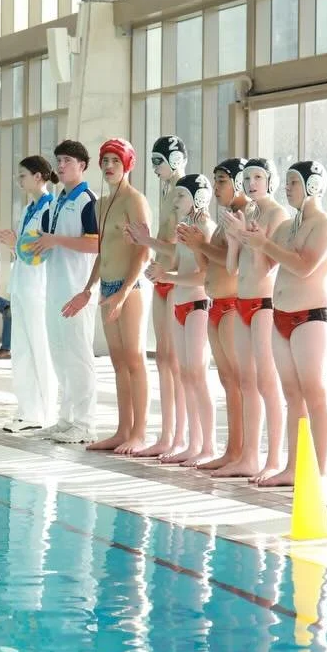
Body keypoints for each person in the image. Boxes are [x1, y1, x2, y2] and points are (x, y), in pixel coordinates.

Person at [234, 162, 327, 488]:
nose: (288, 188)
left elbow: (304, 266)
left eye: (294, 182)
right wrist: (245, 238)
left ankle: (319, 470)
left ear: (313, 185)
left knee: (315, 392)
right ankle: (294, 466)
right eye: (289, 182)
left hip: (311, 316)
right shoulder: (287, 226)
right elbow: (265, 267)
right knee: (293, 395)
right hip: (281, 315)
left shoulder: (324, 224)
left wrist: (264, 244)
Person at [67, 138, 150, 453]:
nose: (109, 166)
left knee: (134, 359)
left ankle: (139, 433)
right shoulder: (100, 204)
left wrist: (124, 292)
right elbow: (103, 252)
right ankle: (122, 430)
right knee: (118, 363)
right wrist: (88, 289)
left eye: (116, 161)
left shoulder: (135, 200)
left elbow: (143, 252)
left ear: (127, 164)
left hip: (130, 288)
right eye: (105, 161)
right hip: (107, 287)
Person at [216, 158, 288, 480]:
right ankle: (249, 457)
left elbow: (268, 265)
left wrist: (251, 239)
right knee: (246, 380)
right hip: (242, 300)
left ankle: (273, 459)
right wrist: (234, 241)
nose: (252, 183)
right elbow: (232, 269)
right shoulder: (251, 214)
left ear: (269, 180)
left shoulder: (277, 215)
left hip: (264, 303)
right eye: (248, 178)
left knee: (267, 382)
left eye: (259, 177)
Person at [179, 159, 246, 475]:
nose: (216, 187)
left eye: (221, 181)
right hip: (217, 304)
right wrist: (198, 247)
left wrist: (201, 244)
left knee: (238, 381)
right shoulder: (226, 218)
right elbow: (211, 262)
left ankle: (240, 452)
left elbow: (235, 263)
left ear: (239, 181)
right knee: (227, 380)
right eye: (215, 181)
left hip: (233, 304)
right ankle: (231, 450)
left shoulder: (241, 215)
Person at [124, 135, 189, 458]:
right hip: (161, 279)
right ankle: (167, 435)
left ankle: (178, 437)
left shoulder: (183, 193)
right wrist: (148, 246)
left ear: (175, 160)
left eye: (158, 161)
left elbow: (182, 249)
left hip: (177, 281)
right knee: (163, 358)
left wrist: (148, 241)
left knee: (174, 360)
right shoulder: (166, 193)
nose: (153, 168)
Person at [146, 173, 215, 465]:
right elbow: (174, 252)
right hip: (181, 303)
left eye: (181, 196)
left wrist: (168, 276)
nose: (175, 201)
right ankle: (190, 442)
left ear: (199, 198)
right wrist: (145, 240)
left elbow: (204, 274)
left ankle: (208, 446)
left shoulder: (205, 228)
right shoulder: (186, 228)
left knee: (197, 375)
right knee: (185, 374)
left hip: (198, 303)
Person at [39, 139, 101, 444]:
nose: (61, 166)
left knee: (78, 355)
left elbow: (96, 243)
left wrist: (56, 241)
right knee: (60, 355)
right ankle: (65, 419)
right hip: (55, 287)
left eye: (67, 160)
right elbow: (48, 243)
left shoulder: (88, 200)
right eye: (58, 160)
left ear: (82, 166)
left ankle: (85, 423)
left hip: (78, 289)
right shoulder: (57, 200)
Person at [0, 155, 60, 432]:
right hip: (22, 285)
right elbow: (23, 252)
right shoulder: (28, 208)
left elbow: (43, 249)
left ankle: (47, 413)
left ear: (38, 177)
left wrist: (17, 241)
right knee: (21, 350)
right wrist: (12, 244)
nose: (18, 180)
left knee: (40, 350)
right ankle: (27, 411)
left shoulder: (49, 208)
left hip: (38, 289)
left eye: (22, 175)